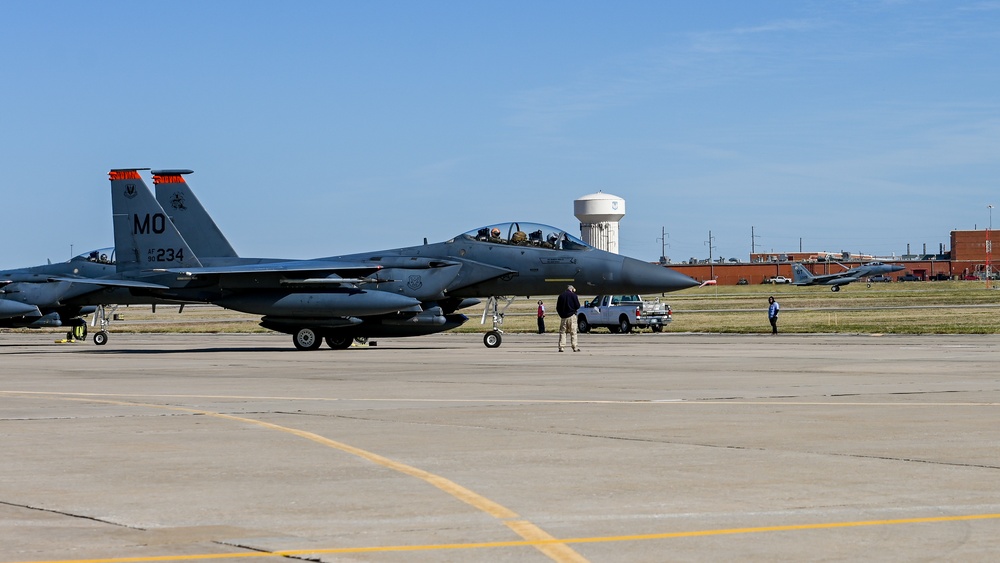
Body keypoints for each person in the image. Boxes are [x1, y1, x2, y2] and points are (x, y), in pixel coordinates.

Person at [556, 285, 581, 352]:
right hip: (572, 316)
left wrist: (561, 314)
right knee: (573, 332)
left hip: (563, 317)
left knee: (563, 332)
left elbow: (558, 307)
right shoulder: (574, 295)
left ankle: (561, 347)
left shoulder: (561, 296)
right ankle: (574, 347)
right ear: (572, 289)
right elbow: (578, 306)